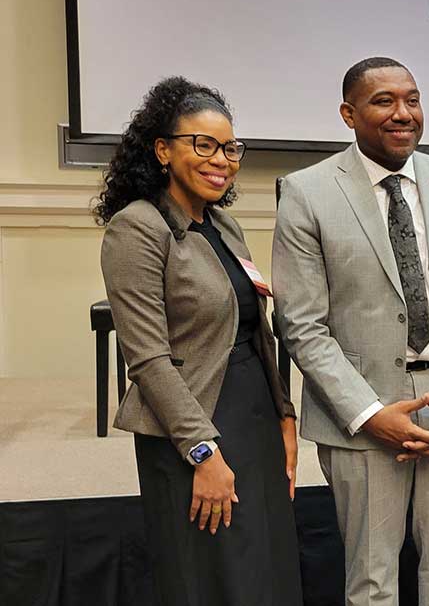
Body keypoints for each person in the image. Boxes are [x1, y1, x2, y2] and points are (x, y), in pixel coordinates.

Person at [271, 57, 429, 606]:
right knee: (372, 581)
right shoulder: (306, 193)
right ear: (349, 114)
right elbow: (302, 326)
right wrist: (371, 415)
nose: (403, 114)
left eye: (413, 99)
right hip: (362, 418)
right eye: (384, 101)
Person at [97, 77, 302, 605]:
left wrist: (284, 415)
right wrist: (203, 451)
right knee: (210, 576)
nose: (222, 160)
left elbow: (255, 329)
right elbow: (146, 359)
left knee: (265, 567)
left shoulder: (225, 226)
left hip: (253, 415)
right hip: (189, 427)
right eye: (203, 144)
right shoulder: (136, 227)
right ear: (163, 150)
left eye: (230, 147)